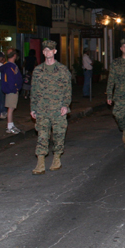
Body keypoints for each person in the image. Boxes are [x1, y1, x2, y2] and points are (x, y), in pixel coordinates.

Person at [30, 40, 72, 174]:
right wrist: (33, 108)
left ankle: (57, 158)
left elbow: (68, 89)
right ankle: (40, 163)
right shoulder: (37, 70)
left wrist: (66, 105)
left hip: (58, 109)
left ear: (55, 51)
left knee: (59, 135)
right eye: (46, 50)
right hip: (42, 109)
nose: (48, 52)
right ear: (43, 52)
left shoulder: (62, 70)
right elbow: (34, 90)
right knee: (42, 135)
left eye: (51, 50)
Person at [0, 49, 23, 134]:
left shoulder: (9, 66)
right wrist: (15, 88)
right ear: (14, 56)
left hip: (11, 89)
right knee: (11, 108)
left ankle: (11, 125)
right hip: (12, 90)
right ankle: (9, 126)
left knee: (11, 107)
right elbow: (11, 79)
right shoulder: (10, 67)